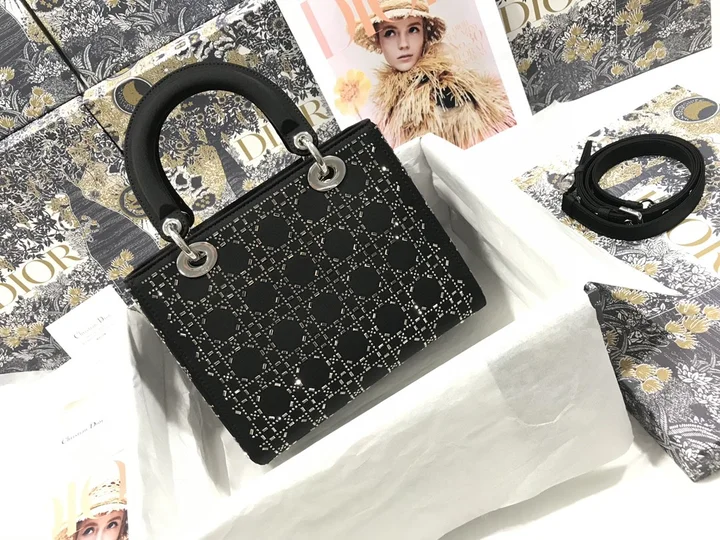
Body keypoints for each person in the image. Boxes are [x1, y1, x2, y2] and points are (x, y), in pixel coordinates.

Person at [353, 0, 516, 148]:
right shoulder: (393, 98)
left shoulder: (444, 92)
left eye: (413, 30)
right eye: (390, 33)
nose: (403, 44)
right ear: (379, 40)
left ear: (425, 35)